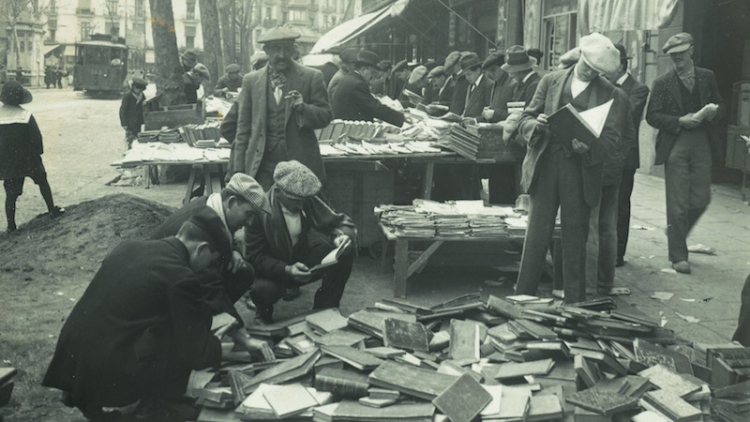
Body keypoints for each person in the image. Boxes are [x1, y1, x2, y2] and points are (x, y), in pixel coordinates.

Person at [43, 207, 275, 422]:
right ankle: (151, 404)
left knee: (166, 326)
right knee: (179, 338)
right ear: (202, 249)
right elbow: (196, 353)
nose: (207, 269)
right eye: (211, 261)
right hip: (108, 368)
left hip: (72, 357)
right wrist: (217, 338)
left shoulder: (130, 246)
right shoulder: (182, 277)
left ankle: (82, 393)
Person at [513, 33, 629, 303]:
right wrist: (535, 125)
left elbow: (613, 140)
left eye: (598, 71)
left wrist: (588, 148)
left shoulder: (612, 94)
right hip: (546, 164)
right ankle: (522, 298)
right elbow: (525, 118)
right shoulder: (551, 80)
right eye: (587, 65)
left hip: (580, 170)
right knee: (536, 235)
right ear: (580, 55)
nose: (590, 72)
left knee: (576, 238)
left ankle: (575, 303)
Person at [646, 33, 723, 274]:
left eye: (681, 53)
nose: (677, 58)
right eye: (673, 55)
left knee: (701, 199)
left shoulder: (706, 76)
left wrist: (714, 112)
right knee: (677, 203)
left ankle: (676, 231)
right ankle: (678, 255)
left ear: (691, 50)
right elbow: (652, 116)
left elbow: (720, 103)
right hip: (676, 142)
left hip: (702, 141)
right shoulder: (662, 83)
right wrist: (679, 120)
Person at [151, 173, 272, 322]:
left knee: (243, 272)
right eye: (248, 214)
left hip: (183, 277)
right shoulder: (201, 227)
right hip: (159, 293)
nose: (251, 223)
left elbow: (226, 233)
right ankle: (202, 326)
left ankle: (210, 322)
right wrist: (239, 331)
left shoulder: (212, 205)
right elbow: (211, 286)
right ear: (232, 202)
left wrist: (234, 251)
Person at [245, 160, 356, 323]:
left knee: (345, 253)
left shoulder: (307, 200)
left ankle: (325, 309)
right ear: (278, 192)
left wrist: (341, 237)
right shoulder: (258, 212)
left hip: (298, 259)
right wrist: (286, 269)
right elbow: (254, 257)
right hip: (272, 270)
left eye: (303, 200)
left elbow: (337, 222)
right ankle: (263, 313)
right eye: (295, 200)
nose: (301, 205)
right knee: (262, 289)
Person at [233, 26, 333, 191]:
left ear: (293, 50)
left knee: (300, 213)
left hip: (301, 165)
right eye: (276, 49)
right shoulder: (251, 81)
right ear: (267, 50)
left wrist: (303, 108)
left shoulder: (312, 76)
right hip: (262, 165)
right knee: (263, 212)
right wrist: (237, 172)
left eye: (286, 49)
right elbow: (242, 130)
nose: (281, 55)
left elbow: (326, 115)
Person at [0, 81, 64, 233]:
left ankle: (11, 225)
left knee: (11, 193)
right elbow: (37, 138)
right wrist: (38, 154)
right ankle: (51, 210)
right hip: (28, 158)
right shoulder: (26, 115)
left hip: (9, 161)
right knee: (42, 180)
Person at [612, 44, 650, 268]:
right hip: (604, 154)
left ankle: (617, 252)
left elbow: (623, 116)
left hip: (624, 156)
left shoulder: (638, 89)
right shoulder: (605, 85)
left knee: (620, 204)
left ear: (620, 66)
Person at [331, 49, 405, 127]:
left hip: (346, 125)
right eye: (372, 72)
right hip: (351, 128)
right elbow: (374, 107)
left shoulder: (350, 78)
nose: (373, 77)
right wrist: (401, 118)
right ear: (363, 70)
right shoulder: (358, 84)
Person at [481, 51, 516, 123]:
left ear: (503, 66)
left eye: (493, 70)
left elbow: (516, 115)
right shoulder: (496, 84)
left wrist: (494, 113)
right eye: (489, 72)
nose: (492, 74)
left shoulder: (513, 84)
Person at [460, 53, 493, 118]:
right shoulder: (471, 86)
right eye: (465, 75)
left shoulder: (489, 85)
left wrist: (474, 120)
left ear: (478, 71)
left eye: (469, 74)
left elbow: (488, 112)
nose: (467, 78)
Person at [119, 77, 147, 150]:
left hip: (138, 122)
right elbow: (123, 111)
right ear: (134, 88)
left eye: (141, 90)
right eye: (138, 89)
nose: (140, 91)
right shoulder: (128, 96)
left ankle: (136, 150)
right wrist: (124, 123)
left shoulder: (142, 96)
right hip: (130, 122)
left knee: (138, 137)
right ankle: (130, 150)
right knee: (130, 138)